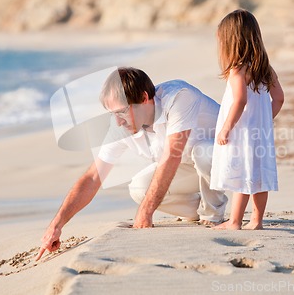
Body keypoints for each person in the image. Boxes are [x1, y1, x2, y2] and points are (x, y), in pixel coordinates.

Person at [36, 67, 227, 260]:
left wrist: (146, 212)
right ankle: (196, 210)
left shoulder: (180, 97)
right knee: (138, 188)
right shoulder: (120, 125)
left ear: (144, 98)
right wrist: (57, 225)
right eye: (112, 114)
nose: (118, 122)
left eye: (121, 112)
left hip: (231, 158)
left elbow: (172, 156)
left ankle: (212, 215)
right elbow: (93, 177)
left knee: (204, 152)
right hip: (189, 166)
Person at [210, 9, 284, 230]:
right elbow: (279, 98)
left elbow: (240, 100)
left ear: (231, 43)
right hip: (260, 133)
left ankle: (234, 222)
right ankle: (256, 221)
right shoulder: (265, 69)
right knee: (259, 175)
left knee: (241, 175)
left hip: (241, 133)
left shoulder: (237, 71)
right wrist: (263, 122)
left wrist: (226, 128)